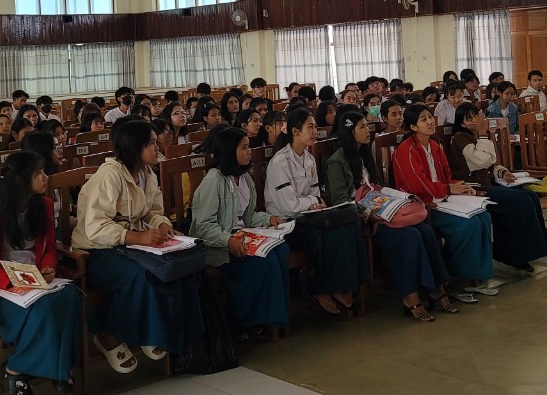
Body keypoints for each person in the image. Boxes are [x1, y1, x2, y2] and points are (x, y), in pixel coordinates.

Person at [75, 119, 203, 373]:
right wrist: (138, 238)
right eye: (151, 144)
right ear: (135, 148)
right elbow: (96, 227)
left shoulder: (146, 174)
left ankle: (162, 332)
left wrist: (162, 225)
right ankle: (110, 334)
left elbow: (152, 212)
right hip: (96, 250)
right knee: (141, 274)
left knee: (176, 267)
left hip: (129, 245)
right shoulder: (109, 177)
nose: (158, 148)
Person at [0, 151, 82, 395]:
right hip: (0, 284)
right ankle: (25, 370)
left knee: (71, 296)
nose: (46, 178)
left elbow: (48, 250)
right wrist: (15, 280)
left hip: (35, 278)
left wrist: (48, 269)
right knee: (44, 309)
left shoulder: (42, 206)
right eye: (38, 174)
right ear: (22, 180)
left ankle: (24, 366)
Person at [324, 109, 451, 323]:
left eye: (367, 125)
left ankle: (435, 288)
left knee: (425, 231)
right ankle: (410, 296)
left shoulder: (364, 154)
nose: (368, 130)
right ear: (349, 131)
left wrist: (395, 198)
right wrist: (368, 214)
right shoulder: (337, 162)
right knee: (410, 236)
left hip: (384, 211)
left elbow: (378, 186)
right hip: (365, 221)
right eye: (362, 127)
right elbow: (339, 202)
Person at [188, 127, 289, 340]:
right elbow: (203, 226)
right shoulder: (214, 180)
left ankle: (272, 318)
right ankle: (245, 320)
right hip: (219, 245)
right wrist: (228, 240)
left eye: (249, 147)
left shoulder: (245, 178)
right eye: (244, 148)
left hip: (243, 235)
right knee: (265, 261)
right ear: (228, 151)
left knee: (281, 250)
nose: (249, 152)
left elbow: (248, 217)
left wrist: (269, 220)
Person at [264, 108, 367, 317]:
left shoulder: (308, 159)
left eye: (315, 127)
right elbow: (288, 206)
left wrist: (313, 202)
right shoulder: (280, 162)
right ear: (294, 131)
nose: (315, 132)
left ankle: (347, 284)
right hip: (286, 223)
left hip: (308, 217)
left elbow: (314, 194)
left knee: (351, 223)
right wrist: (312, 202)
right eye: (310, 127)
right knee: (333, 233)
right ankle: (322, 288)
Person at [392, 104, 496, 303]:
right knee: (468, 224)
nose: (431, 121)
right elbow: (417, 185)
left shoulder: (435, 145)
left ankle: (475, 277)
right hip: (425, 205)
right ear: (413, 127)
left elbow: (447, 177)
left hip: (445, 199)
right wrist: (448, 189)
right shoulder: (406, 150)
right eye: (424, 119)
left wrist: (463, 187)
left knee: (484, 216)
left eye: (430, 117)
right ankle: (455, 278)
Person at [447, 103, 547, 273]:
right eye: (470, 119)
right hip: (473, 188)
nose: (476, 120)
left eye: (477, 115)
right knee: (519, 201)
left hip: (487, 182)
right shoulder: (460, 138)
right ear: (462, 124)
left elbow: (490, 162)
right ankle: (515, 256)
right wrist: (481, 133)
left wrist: (501, 172)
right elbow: (481, 161)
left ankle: (530, 250)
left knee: (529, 196)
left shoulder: (477, 136)